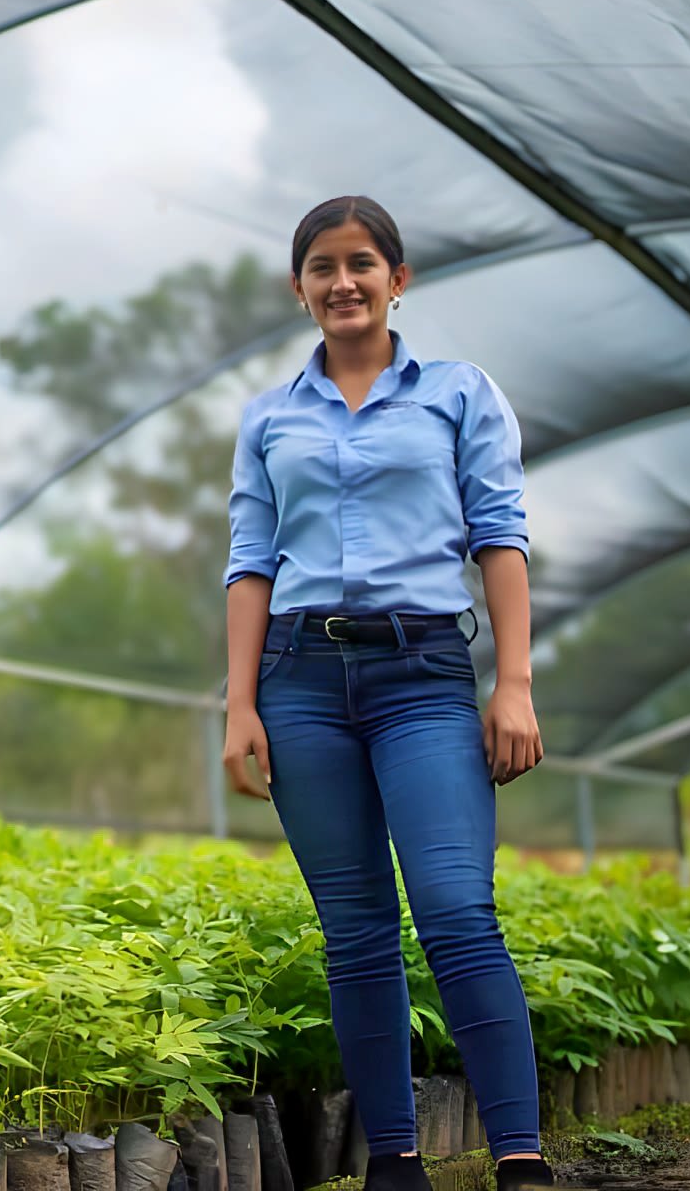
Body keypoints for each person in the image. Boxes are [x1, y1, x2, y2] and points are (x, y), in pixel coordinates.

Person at [222, 196, 554, 1191]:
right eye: (321, 267)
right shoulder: (269, 417)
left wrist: (515, 683)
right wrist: (238, 705)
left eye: (361, 263)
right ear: (300, 289)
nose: (343, 282)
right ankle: (395, 1166)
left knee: (456, 909)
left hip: (422, 677)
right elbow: (249, 562)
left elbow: (498, 535)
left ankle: (521, 1159)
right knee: (357, 929)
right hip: (299, 682)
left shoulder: (456, 394)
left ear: (397, 279)